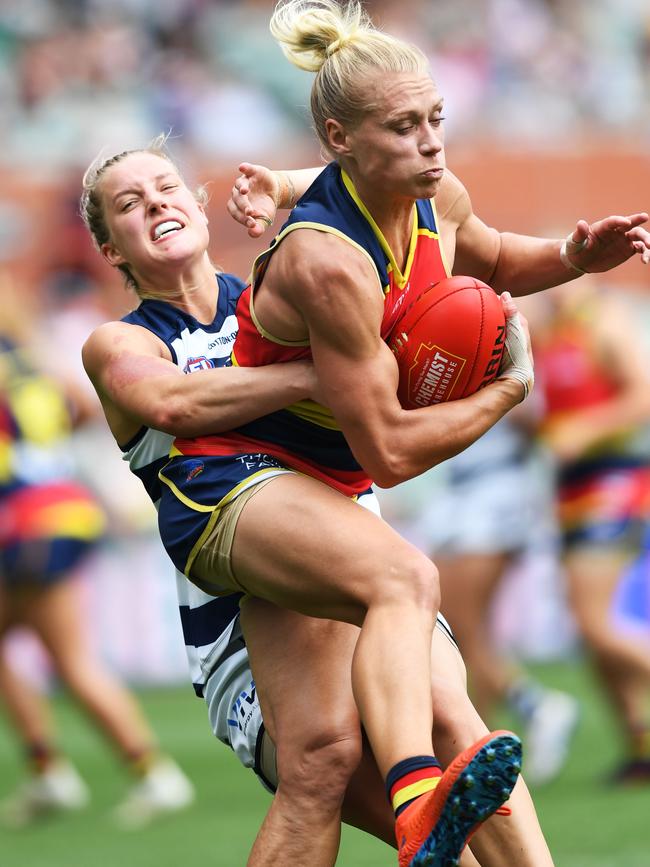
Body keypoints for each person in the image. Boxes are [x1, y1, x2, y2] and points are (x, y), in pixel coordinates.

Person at [151, 1, 649, 864]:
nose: (431, 143)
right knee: (404, 581)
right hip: (243, 479)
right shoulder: (326, 260)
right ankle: (419, 792)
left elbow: (488, 256)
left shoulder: (432, 195)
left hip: (330, 488)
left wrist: (574, 257)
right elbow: (389, 448)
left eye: (435, 120)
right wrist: (508, 391)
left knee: (437, 720)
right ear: (339, 139)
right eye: (404, 127)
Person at [80, 138, 553, 867]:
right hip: (240, 613)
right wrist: (318, 374)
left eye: (168, 187)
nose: (157, 204)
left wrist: (510, 344)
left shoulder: (285, 300)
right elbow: (170, 399)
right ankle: (413, 789)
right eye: (130, 204)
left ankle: (422, 794)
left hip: (355, 555)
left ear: (202, 206)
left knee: (456, 729)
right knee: (321, 766)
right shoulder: (120, 340)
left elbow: (383, 198)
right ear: (112, 249)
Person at [0, 327, 194, 829]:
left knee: (70, 659)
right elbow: (79, 408)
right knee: (60, 653)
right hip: (63, 508)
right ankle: (51, 771)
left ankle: (149, 773)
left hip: (25, 522)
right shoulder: (24, 356)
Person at [409, 412, 580, 787]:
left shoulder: (513, 355)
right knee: (453, 628)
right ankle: (474, 749)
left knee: (461, 630)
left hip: (496, 488)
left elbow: (536, 415)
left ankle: (532, 708)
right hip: (456, 490)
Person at [527, 278, 650, 784]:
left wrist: (586, 431)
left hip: (613, 480)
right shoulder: (551, 327)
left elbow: (642, 396)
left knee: (595, 623)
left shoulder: (605, 322)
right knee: (587, 632)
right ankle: (640, 747)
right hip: (572, 488)